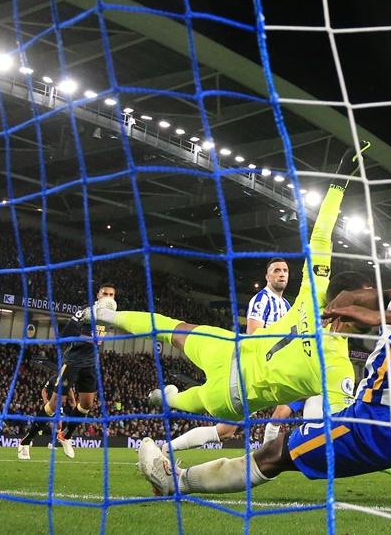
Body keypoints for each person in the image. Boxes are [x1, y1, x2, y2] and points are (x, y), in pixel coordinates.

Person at [136, 198, 391, 509]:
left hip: (379, 421)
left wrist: (375, 316)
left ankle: (176, 482)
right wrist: (357, 299)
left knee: (275, 453)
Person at [88, 182, 374, 429]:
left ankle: (103, 314)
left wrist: (337, 186)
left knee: (169, 327)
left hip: (230, 352)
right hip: (234, 394)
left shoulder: (315, 292)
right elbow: (350, 426)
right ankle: (166, 398)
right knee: (192, 397)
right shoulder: (338, 367)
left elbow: (322, 235)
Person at [161, 257, 304, 452]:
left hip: (271, 371)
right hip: (255, 371)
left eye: (285, 271)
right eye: (277, 270)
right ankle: (166, 447)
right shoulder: (262, 300)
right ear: (267, 276)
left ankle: (268, 451)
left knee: (231, 430)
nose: (281, 274)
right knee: (225, 431)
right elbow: (253, 335)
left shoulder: (286, 304)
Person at [17, 283, 117, 460]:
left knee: (87, 405)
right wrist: (87, 331)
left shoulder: (112, 316)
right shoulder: (86, 311)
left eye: (111, 294)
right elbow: (65, 334)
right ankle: (26, 441)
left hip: (91, 365)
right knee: (54, 405)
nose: (108, 297)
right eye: (105, 294)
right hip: (72, 363)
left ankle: (65, 435)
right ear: (98, 295)